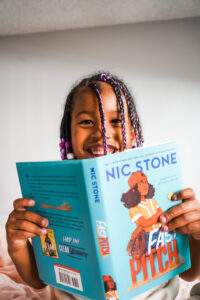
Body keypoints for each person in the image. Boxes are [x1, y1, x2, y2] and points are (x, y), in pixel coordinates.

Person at [6, 72, 200, 300]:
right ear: (68, 134)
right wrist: (17, 244)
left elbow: (189, 273)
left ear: (133, 132)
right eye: (87, 122)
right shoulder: (52, 196)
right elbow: (39, 280)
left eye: (116, 121)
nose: (102, 133)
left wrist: (197, 234)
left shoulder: (158, 186)